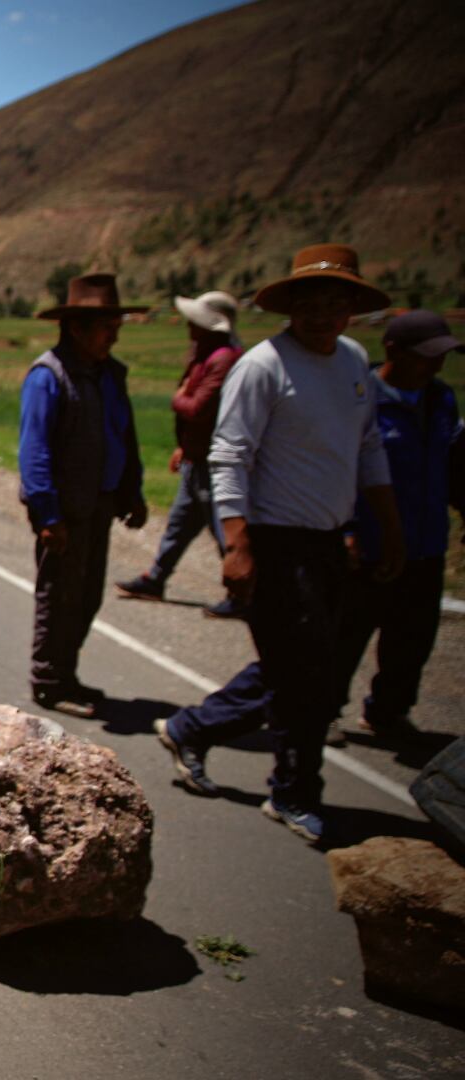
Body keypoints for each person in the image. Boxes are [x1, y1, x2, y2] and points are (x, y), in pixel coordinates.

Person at [155, 244, 404, 844]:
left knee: (307, 667)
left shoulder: (351, 363)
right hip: (273, 539)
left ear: (351, 308)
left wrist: (383, 525)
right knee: (306, 675)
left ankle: (193, 728)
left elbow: (366, 448)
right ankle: (293, 791)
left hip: (326, 541)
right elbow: (229, 453)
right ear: (291, 305)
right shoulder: (264, 366)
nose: (322, 314)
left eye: (335, 302)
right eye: (311, 302)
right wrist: (237, 544)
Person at [17, 273, 149, 719]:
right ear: (76, 327)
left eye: (116, 326)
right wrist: (48, 514)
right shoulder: (48, 377)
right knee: (59, 596)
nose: (114, 334)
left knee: (88, 595)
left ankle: (66, 673)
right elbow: (34, 452)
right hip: (64, 512)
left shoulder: (110, 374)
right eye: (105, 326)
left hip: (100, 504)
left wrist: (132, 490)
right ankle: (49, 682)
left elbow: (124, 436)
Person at [337, 311, 464, 740]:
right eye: (425, 356)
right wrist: (346, 529)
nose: (435, 366)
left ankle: (388, 711)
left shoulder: (442, 400)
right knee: (345, 636)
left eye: (442, 357)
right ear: (392, 350)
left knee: (412, 641)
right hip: (368, 546)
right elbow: (340, 469)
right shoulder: (359, 397)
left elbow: (453, 467)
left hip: (425, 543)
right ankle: (321, 711)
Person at [114, 290, 245, 616]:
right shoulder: (206, 354)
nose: (189, 326)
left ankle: (242, 592)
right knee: (181, 522)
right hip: (196, 456)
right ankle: (156, 578)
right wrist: (183, 446)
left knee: (221, 526)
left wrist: (178, 398)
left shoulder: (223, 359)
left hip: (215, 461)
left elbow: (198, 407)